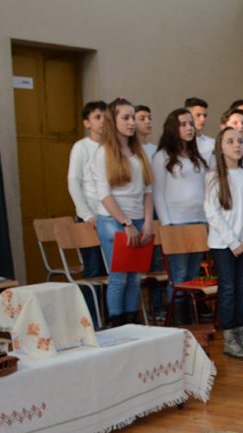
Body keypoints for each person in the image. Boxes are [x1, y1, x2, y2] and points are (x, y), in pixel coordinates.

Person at [91, 98, 154, 326]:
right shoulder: (104, 153)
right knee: (119, 278)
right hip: (114, 220)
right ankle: (117, 325)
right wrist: (126, 223)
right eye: (125, 118)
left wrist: (148, 222)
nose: (131, 123)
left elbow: (147, 190)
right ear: (113, 121)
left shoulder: (138, 152)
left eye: (133, 118)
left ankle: (132, 324)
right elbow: (104, 195)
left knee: (135, 278)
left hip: (138, 219)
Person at [205, 126, 243, 359]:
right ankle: (230, 339)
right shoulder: (213, 177)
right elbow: (212, 213)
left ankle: (242, 335)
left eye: (239, 141)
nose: (237, 145)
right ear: (220, 148)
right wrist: (232, 242)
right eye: (230, 141)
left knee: (241, 289)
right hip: (224, 245)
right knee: (228, 289)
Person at [152, 107, 208, 320]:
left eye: (190, 124)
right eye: (183, 124)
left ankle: (191, 319)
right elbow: (158, 193)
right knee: (179, 275)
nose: (189, 128)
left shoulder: (197, 157)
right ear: (172, 128)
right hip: (176, 223)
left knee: (193, 275)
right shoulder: (162, 157)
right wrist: (166, 225)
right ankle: (178, 320)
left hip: (199, 222)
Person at [67, 100, 108, 279]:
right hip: (90, 217)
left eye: (105, 117)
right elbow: (73, 182)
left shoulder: (112, 146)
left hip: (110, 215)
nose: (103, 121)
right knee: (94, 270)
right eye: (97, 117)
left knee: (112, 269)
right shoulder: (81, 147)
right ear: (87, 123)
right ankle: (91, 300)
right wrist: (87, 215)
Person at [185, 97, 214, 161]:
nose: (203, 119)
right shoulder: (178, 144)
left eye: (205, 116)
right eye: (198, 115)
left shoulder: (212, 144)